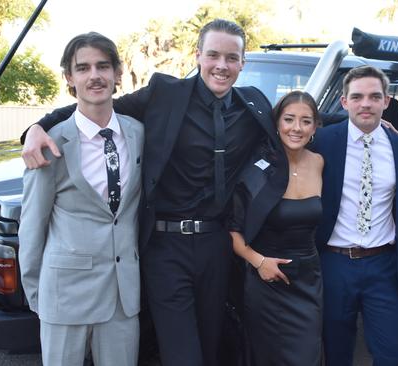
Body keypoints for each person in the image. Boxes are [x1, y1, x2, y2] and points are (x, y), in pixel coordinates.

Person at [20, 19, 283, 366]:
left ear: (242, 63)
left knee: (212, 346)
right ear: (198, 56)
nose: (222, 65)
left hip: (216, 246)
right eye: (213, 55)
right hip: (165, 246)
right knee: (182, 354)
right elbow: (97, 105)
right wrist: (37, 126)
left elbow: (302, 120)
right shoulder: (165, 94)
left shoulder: (254, 105)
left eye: (231, 58)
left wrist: (367, 121)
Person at [18, 32, 144, 366]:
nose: (95, 76)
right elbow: (32, 226)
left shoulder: (138, 133)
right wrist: (38, 295)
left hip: (123, 298)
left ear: (118, 73)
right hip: (64, 296)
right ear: (69, 78)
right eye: (83, 68)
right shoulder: (50, 144)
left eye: (103, 66)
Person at [313, 65, 398, 366]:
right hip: (333, 262)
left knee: (393, 352)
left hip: (383, 264)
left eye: (374, 97)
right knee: (336, 349)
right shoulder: (322, 141)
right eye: (356, 97)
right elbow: (289, 121)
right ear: (344, 102)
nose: (365, 104)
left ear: (386, 101)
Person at [228, 91, 323, 366]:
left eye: (306, 121)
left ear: (315, 126)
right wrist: (259, 263)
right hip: (266, 280)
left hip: (309, 280)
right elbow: (232, 230)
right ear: (276, 122)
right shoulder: (256, 168)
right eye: (289, 119)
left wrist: (383, 125)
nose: (296, 128)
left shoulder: (319, 162)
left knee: (307, 356)